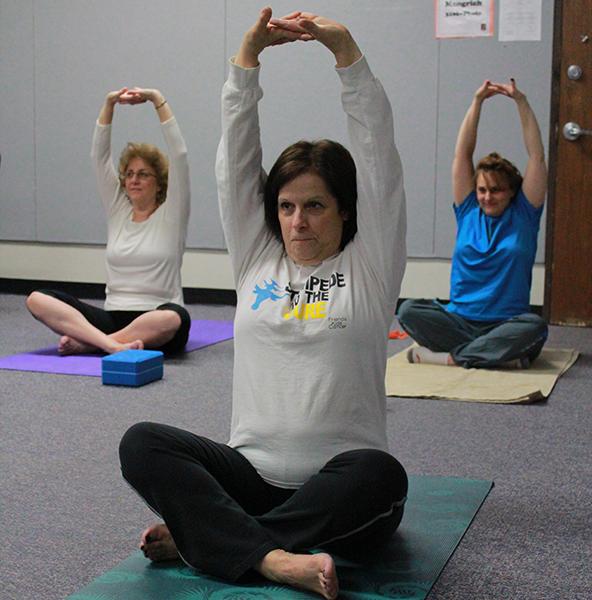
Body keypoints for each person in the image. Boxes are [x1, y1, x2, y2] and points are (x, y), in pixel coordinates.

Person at [119, 8, 407, 599]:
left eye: (316, 206)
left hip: (338, 488)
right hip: (249, 478)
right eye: (286, 207)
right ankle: (273, 557)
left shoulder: (370, 265)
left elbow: (378, 153)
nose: (297, 221)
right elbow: (236, 164)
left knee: (382, 475)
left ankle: (214, 540)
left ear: (346, 209)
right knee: (142, 441)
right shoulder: (256, 259)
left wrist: (347, 53)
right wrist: (245, 61)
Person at [26, 87, 191, 355]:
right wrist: (109, 104)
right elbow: (99, 158)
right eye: (129, 174)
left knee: (174, 318)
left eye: (143, 174)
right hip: (111, 317)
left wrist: (157, 99)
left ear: (159, 182)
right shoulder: (118, 210)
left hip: (155, 316)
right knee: (37, 299)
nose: (134, 180)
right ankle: (110, 344)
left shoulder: (172, 213)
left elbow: (180, 155)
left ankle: (92, 343)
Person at [398, 78, 548, 369]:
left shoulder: (525, 215)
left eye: (496, 190)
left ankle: (450, 358)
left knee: (535, 327)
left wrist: (522, 102)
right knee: (408, 310)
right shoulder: (468, 211)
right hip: (459, 321)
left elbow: (537, 157)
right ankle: (492, 355)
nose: (487, 197)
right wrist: (477, 102)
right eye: (482, 190)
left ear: (512, 192)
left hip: (506, 322)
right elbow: (462, 155)